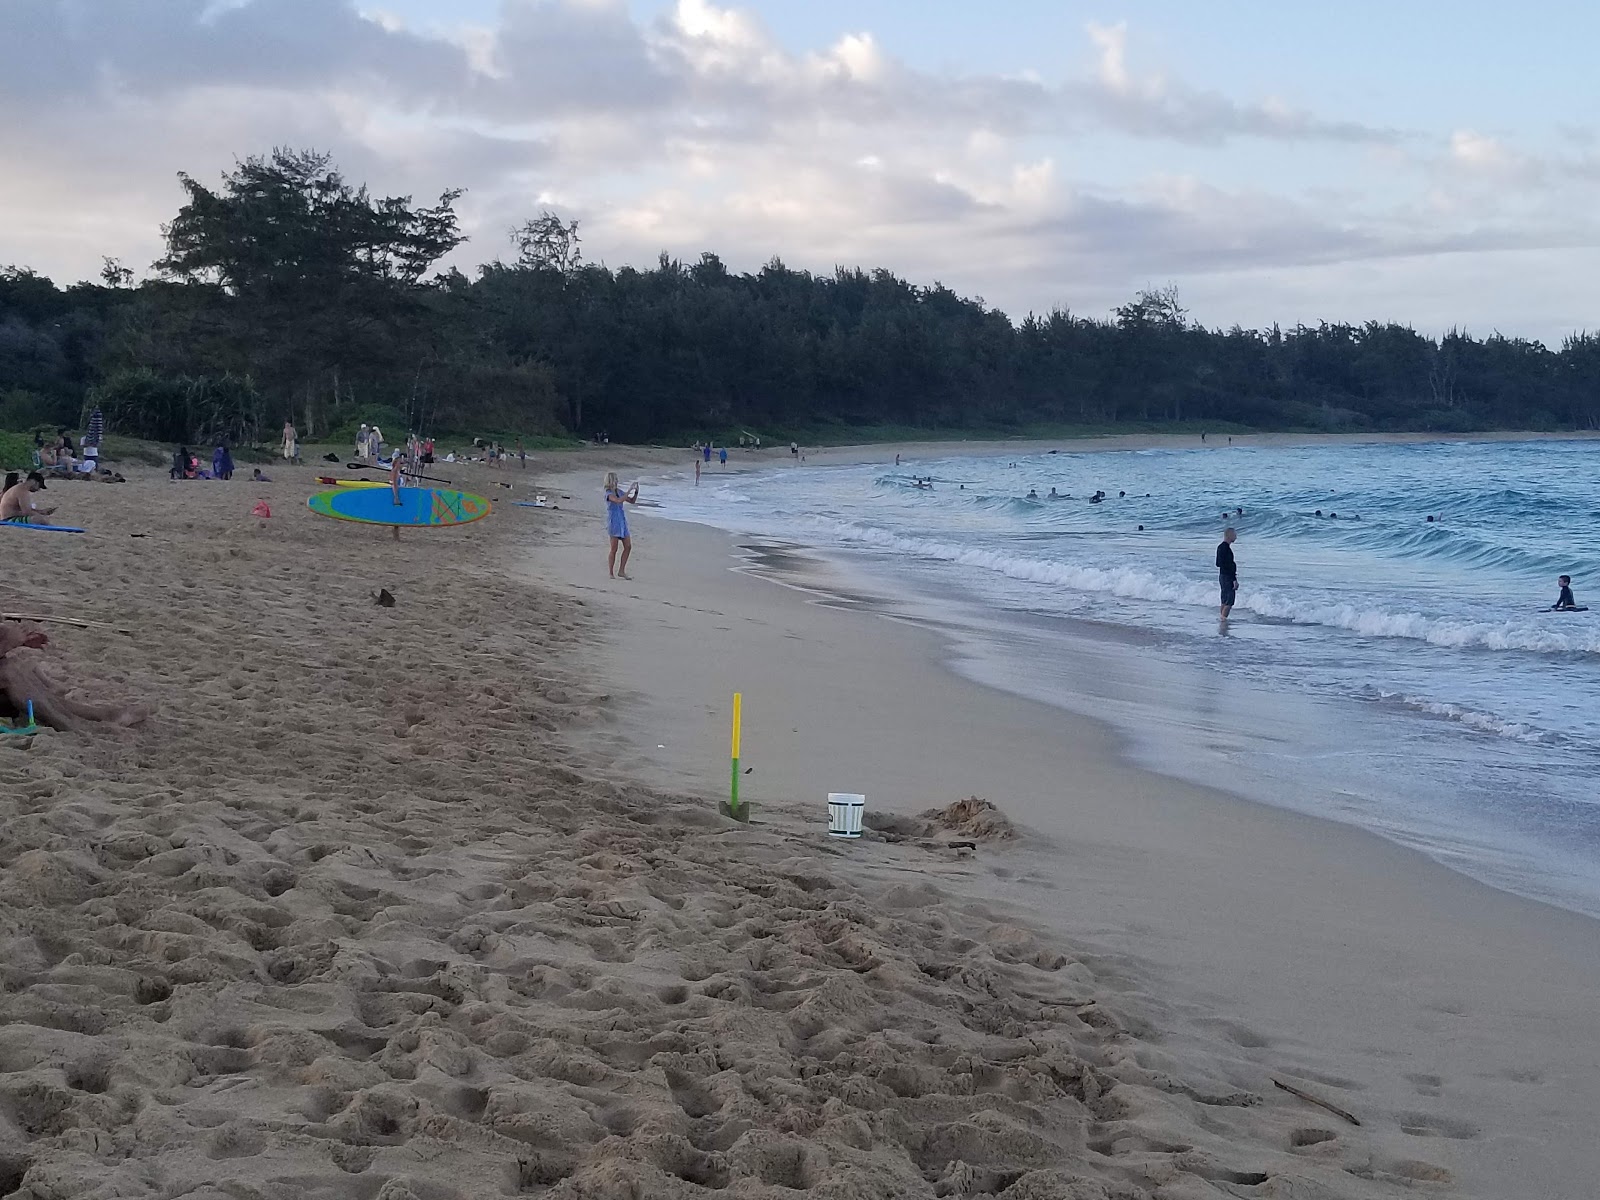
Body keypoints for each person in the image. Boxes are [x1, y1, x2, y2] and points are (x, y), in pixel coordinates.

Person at [604, 471, 639, 578]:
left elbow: (631, 501)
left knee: (628, 546)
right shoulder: (608, 494)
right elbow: (618, 501)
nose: (617, 481)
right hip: (614, 522)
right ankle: (611, 572)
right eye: (615, 479)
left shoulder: (619, 491)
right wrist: (629, 490)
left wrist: (635, 492)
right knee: (614, 549)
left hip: (622, 521)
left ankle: (621, 570)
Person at [1216, 527, 1238, 621]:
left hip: (1222, 576)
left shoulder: (1220, 547)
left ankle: (1222, 618)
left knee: (1224, 599)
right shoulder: (1226, 549)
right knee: (1229, 600)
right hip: (1227, 577)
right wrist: (1234, 579)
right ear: (1230, 535)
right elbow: (1227, 565)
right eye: (1234, 534)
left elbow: (1218, 563)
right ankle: (1223, 620)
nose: (1236, 537)